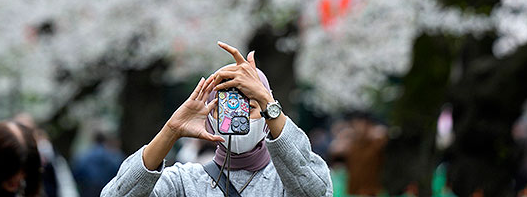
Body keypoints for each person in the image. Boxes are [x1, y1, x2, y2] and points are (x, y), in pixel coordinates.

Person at [101, 41, 332, 197]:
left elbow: (317, 190)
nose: (237, 116)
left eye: (250, 107)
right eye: (225, 108)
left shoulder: (285, 181)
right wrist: (171, 130)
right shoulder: (185, 182)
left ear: (266, 114)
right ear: (210, 116)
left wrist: (266, 101)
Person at [72, 131, 125, 197]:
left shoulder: (85, 155)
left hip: (88, 190)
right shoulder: (113, 156)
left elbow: (77, 172)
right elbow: (120, 171)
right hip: (107, 189)